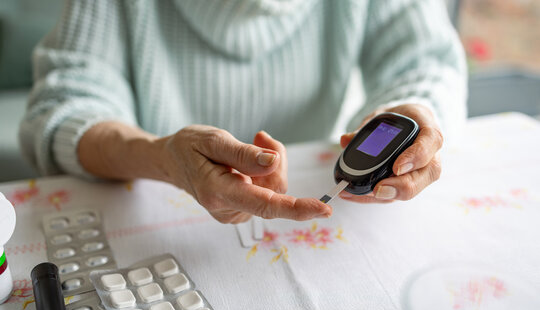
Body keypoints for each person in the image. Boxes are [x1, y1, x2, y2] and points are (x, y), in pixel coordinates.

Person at [19, 0, 466, 224]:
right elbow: (60, 108)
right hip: (147, 212)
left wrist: (412, 115)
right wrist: (162, 156)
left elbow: (426, 63)